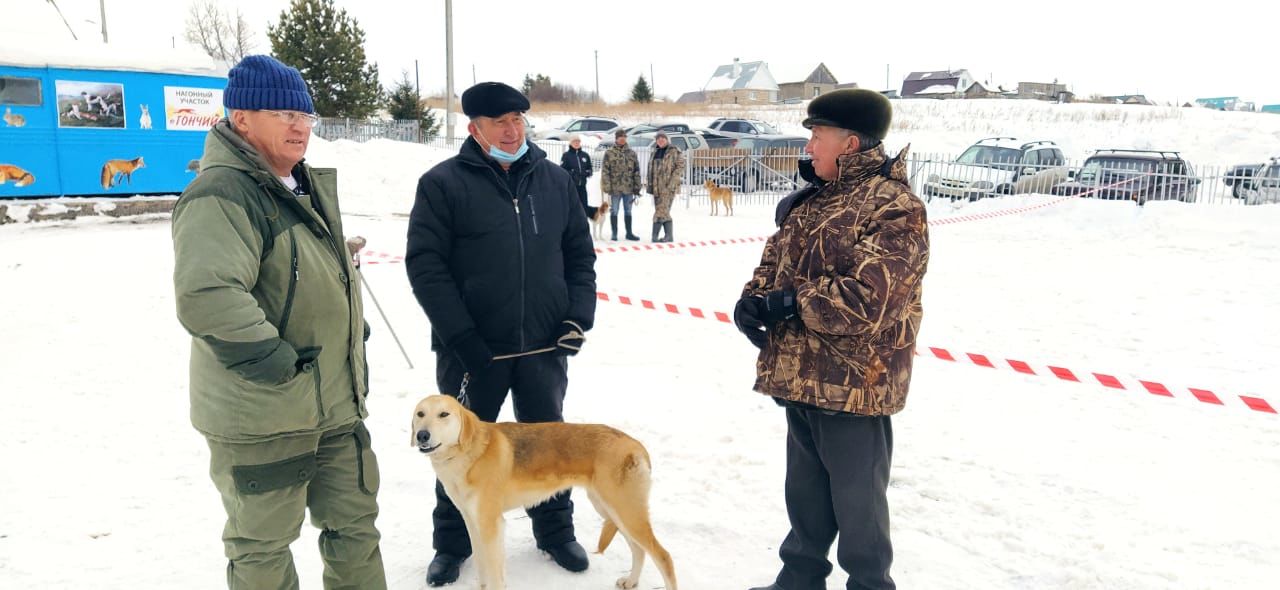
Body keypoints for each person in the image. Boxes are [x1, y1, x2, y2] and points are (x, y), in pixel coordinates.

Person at [171, 54, 386, 589]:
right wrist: (276, 363)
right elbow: (209, 293)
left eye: (305, 115)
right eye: (281, 112)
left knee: (355, 528)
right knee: (263, 547)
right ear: (241, 118)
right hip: (266, 415)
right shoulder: (223, 191)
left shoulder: (299, 185)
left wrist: (346, 328)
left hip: (335, 406)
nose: (299, 125)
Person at [733, 89, 930, 590]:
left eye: (816, 135)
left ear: (849, 143)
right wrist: (753, 298)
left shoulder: (894, 206)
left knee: (858, 506)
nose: (809, 146)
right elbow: (775, 263)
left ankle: (869, 584)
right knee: (805, 495)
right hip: (802, 375)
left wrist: (791, 303)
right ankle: (799, 579)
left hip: (855, 384)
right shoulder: (816, 200)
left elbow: (870, 298)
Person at [405, 81, 598, 587]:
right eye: (500, 123)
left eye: (518, 120)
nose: (512, 131)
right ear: (474, 129)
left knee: (550, 444)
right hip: (473, 350)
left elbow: (580, 255)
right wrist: (459, 336)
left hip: (542, 345)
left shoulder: (555, 181)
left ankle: (555, 534)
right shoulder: (443, 184)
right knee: (456, 447)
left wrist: (578, 315)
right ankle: (451, 544)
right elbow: (426, 266)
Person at [600, 128, 642, 241]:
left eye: (624, 137)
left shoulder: (632, 153)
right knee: (614, 210)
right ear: (616, 139)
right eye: (620, 137)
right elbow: (605, 171)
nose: (622, 139)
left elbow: (637, 171)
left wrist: (637, 186)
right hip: (615, 188)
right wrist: (607, 186)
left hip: (628, 188)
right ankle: (614, 233)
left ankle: (629, 233)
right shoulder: (609, 153)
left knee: (628, 211)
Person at [646, 131, 686, 242]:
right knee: (663, 211)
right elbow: (651, 169)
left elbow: (680, 167)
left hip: (668, 187)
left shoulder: (674, 151)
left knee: (660, 211)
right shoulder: (655, 151)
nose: (660, 140)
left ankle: (654, 237)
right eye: (658, 139)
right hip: (656, 188)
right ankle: (669, 236)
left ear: (667, 139)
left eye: (662, 138)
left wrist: (672, 183)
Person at [560, 133, 593, 215]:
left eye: (578, 141)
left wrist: (588, 172)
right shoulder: (566, 156)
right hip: (572, 187)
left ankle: (583, 224)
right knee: (572, 207)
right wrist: (572, 173)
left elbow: (590, 168)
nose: (577, 143)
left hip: (582, 186)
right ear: (570, 143)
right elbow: (562, 170)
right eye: (574, 141)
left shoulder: (585, 155)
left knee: (584, 207)